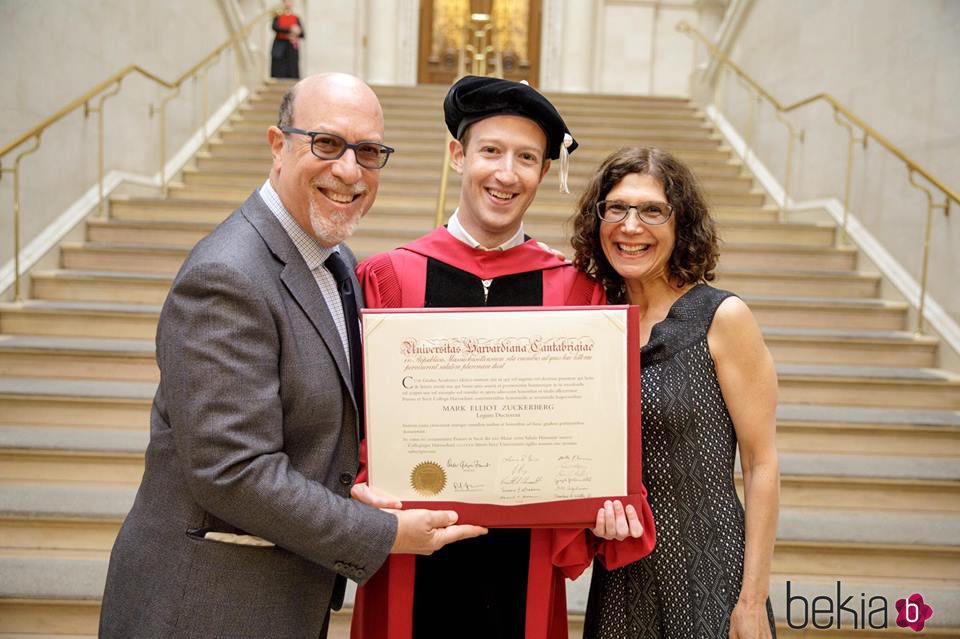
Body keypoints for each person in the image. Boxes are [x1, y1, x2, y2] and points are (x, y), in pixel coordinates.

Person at [99, 73, 486, 638]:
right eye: (326, 144)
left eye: (369, 152)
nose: (350, 171)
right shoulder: (227, 276)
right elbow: (233, 469)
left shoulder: (334, 263)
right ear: (278, 146)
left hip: (280, 597)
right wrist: (383, 533)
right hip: (206, 607)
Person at [350, 76, 657, 639]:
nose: (506, 173)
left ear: (543, 172)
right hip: (411, 546)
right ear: (457, 155)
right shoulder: (390, 278)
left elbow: (591, 429)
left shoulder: (574, 289)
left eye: (526, 157)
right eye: (490, 151)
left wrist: (604, 499)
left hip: (527, 554)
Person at [570, 147, 780, 638]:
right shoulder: (594, 322)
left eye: (651, 210)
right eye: (616, 208)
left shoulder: (722, 317)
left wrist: (752, 601)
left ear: (680, 223)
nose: (630, 226)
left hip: (709, 573)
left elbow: (761, 462)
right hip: (622, 577)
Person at [271, 0, 304, 79]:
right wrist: (290, 29)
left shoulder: (296, 18)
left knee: (292, 65)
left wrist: (297, 32)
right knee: (279, 66)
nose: (288, 3)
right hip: (280, 44)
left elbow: (302, 33)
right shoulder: (278, 16)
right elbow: (275, 27)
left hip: (291, 45)